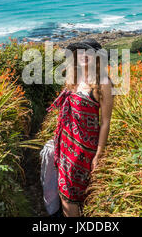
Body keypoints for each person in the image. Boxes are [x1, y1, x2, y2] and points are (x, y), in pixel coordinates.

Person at [46, 38, 114, 217]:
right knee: (66, 190)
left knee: (71, 194)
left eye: (88, 52)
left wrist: (99, 154)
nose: (84, 55)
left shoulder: (103, 83)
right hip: (66, 143)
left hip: (84, 149)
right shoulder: (73, 79)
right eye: (80, 52)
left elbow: (105, 121)